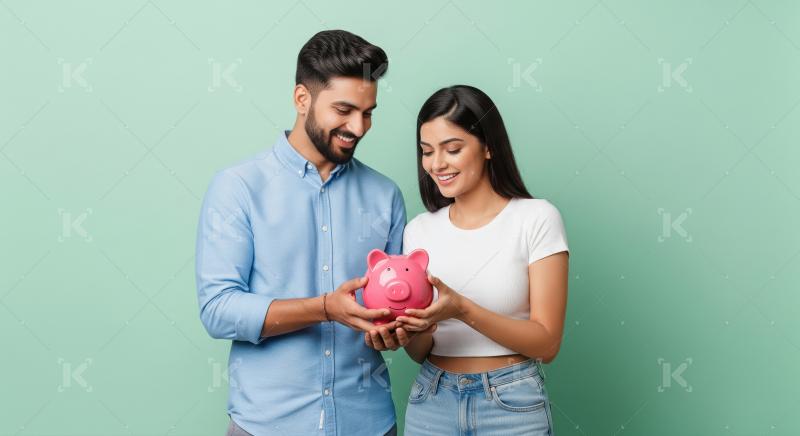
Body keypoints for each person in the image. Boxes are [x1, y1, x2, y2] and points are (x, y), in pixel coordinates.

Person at [196, 29, 415, 436]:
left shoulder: (385, 196)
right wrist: (325, 307)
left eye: (368, 112)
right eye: (344, 110)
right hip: (266, 425)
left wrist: (395, 331)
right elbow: (218, 310)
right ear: (302, 99)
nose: (359, 126)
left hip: (368, 422)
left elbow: (392, 308)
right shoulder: (238, 187)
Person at [365, 85, 570, 435]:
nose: (436, 164)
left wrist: (461, 309)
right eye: (427, 151)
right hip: (433, 400)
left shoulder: (536, 218)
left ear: (488, 146)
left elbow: (547, 343)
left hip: (512, 402)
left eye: (453, 149)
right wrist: (410, 329)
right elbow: (420, 351)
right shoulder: (419, 232)